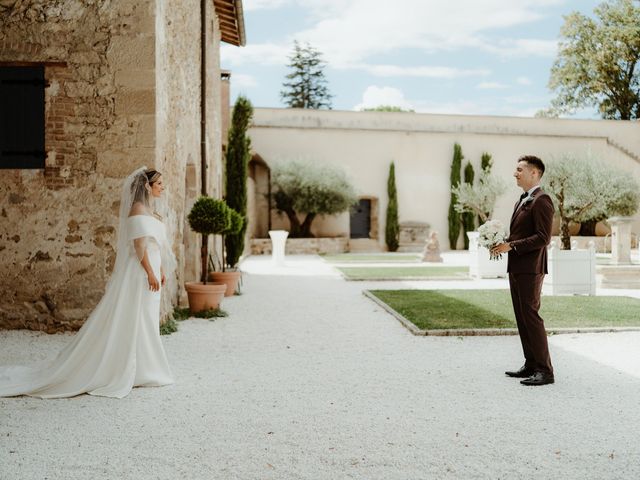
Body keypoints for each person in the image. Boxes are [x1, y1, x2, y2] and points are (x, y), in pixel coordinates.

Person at [0, 167, 176, 398]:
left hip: (152, 268)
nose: (163, 187)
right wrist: (151, 273)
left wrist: (161, 269)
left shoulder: (151, 211)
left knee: (147, 317)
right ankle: (133, 368)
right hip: (140, 272)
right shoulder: (137, 210)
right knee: (136, 316)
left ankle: (145, 367)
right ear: (146, 186)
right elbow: (139, 247)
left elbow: (156, 244)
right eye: (159, 184)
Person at [491, 155, 555, 386]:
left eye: (519, 169)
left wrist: (513, 245)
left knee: (531, 317)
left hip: (531, 268)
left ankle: (545, 371)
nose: (515, 173)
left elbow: (543, 237)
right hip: (517, 266)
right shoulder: (522, 199)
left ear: (534, 173)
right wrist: (501, 241)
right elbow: (520, 234)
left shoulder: (542, 200)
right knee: (522, 317)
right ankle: (531, 364)